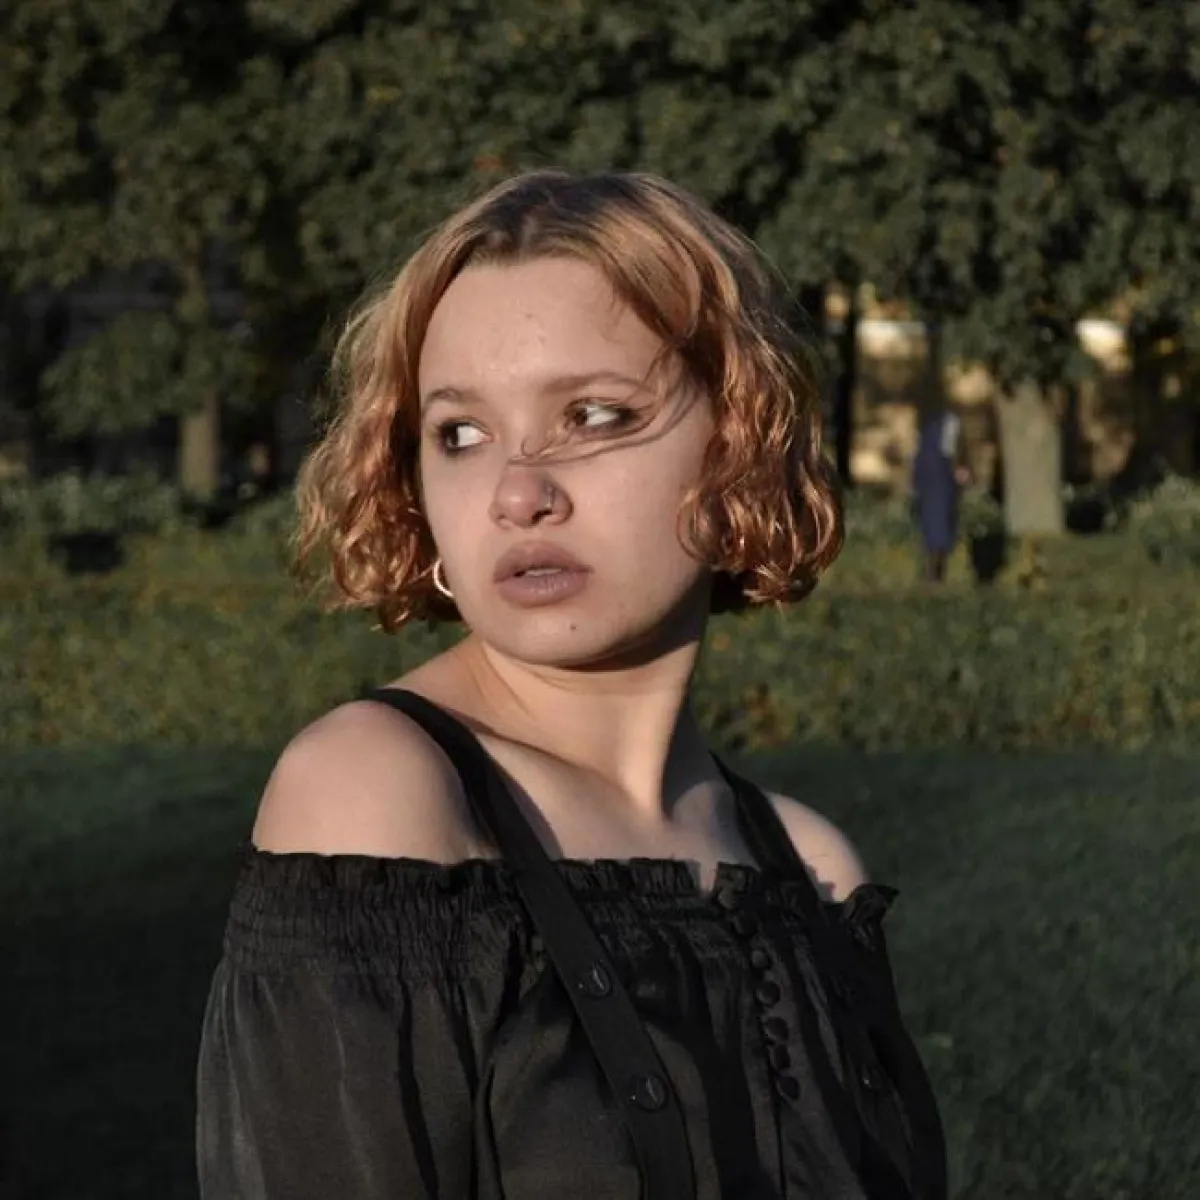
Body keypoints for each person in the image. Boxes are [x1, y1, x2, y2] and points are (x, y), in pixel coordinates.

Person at [195, 169, 947, 1199]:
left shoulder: (810, 869)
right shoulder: (384, 797)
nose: (516, 493)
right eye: (460, 434)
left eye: (591, 415)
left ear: (740, 441)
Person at [910, 404, 972, 582]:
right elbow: (950, 453)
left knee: (933, 530)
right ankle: (935, 574)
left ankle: (932, 573)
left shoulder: (927, 429)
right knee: (940, 530)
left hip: (930, 485)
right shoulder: (949, 425)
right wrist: (959, 471)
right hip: (940, 484)